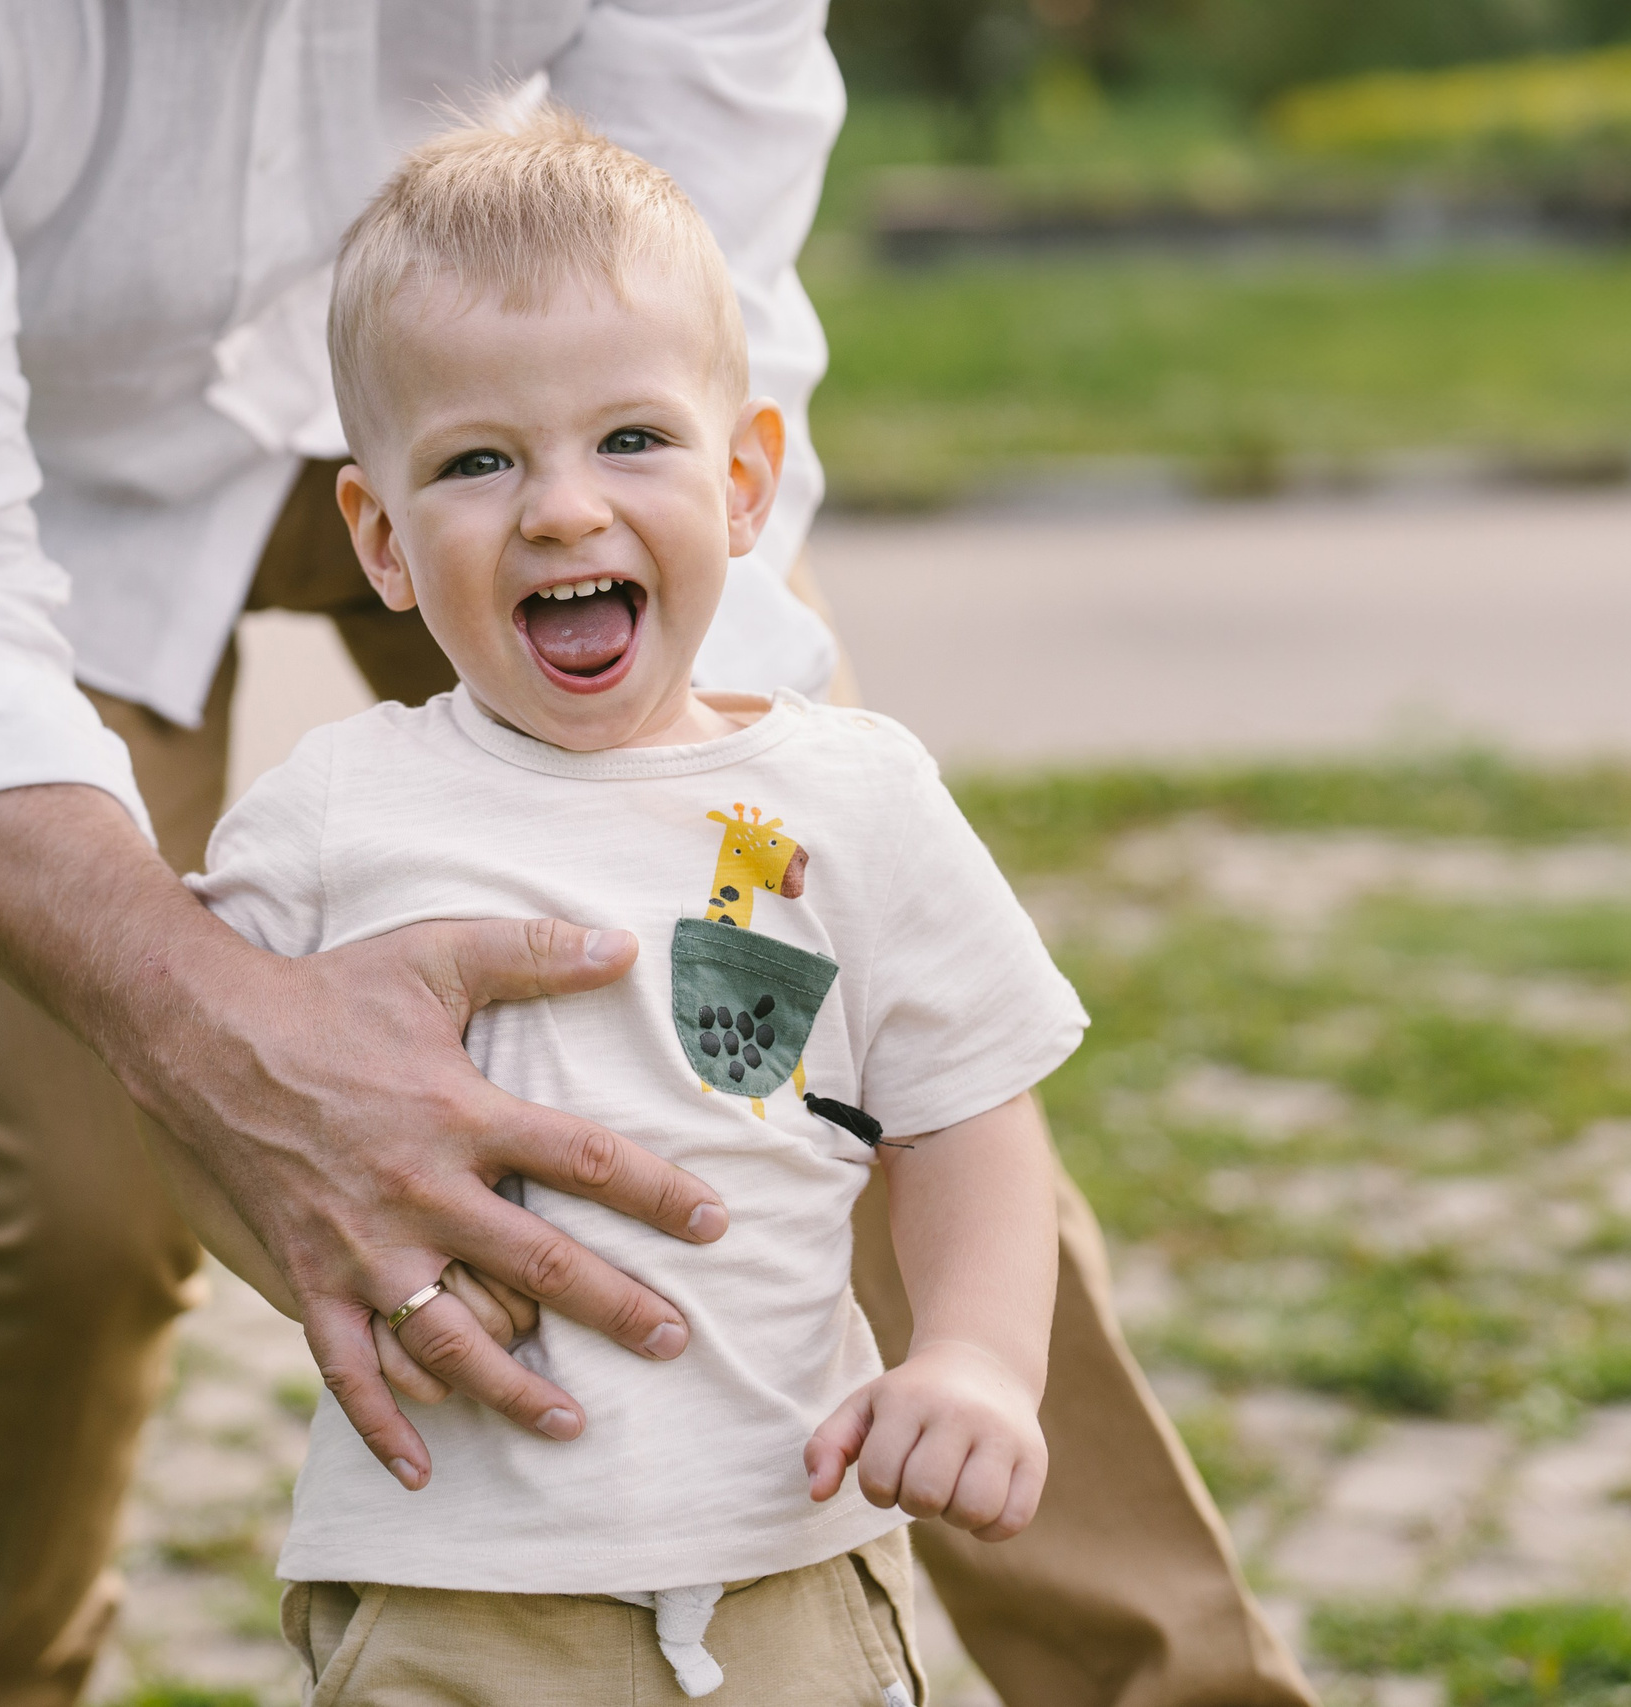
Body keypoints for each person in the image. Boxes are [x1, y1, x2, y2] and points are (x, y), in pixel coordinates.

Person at [0, 4, 1316, 1704]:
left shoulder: (630, 485)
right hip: (55, 508)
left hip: (532, 386)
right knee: (73, 1205)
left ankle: (1173, 1685)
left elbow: (704, 347)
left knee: (843, 1069)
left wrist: (744, 809)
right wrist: (218, 1036)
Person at [161, 111, 1082, 1705]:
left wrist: (980, 1357)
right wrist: (342, 1265)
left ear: (743, 483)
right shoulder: (333, 813)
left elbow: (966, 1112)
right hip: (452, 1587)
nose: (565, 511)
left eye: (631, 441)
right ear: (379, 539)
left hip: (788, 1552)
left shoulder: (853, 798)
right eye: (477, 461)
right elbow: (194, 1084)